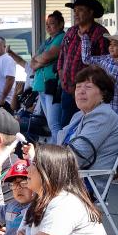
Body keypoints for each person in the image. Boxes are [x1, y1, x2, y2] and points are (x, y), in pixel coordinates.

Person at [58, 65, 118, 176]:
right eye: (78, 87)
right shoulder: (78, 116)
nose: (81, 91)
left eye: (88, 87)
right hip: (67, 175)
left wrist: (42, 156)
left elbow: (77, 157)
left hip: (85, 182)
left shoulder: (103, 116)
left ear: (103, 94)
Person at [57, 0, 109, 127]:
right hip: (68, 90)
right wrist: (62, 76)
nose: (76, 14)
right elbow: (62, 55)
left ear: (91, 12)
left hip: (88, 92)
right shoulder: (71, 31)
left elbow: (104, 64)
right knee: (66, 127)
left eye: (80, 10)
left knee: (87, 126)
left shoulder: (101, 33)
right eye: (74, 11)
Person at [29, 11, 67, 142]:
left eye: (52, 24)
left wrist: (41, 60)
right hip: (42, 86)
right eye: (47, 24)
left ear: (61, 24)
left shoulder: (61, 37)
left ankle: (58, 155)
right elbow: (33, 62)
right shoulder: (47, 41)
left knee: (54, 123)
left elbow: (47, 56)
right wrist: (41, 61)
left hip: (53, 85)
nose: (48, 27)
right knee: (51, 124)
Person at [80, 31, 118, 111]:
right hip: (104, 107)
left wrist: (114, 82)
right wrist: (85, 39)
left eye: (115, 45)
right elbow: (86, 59)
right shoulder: (105, 59)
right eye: (110, 44)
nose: (111, 47)